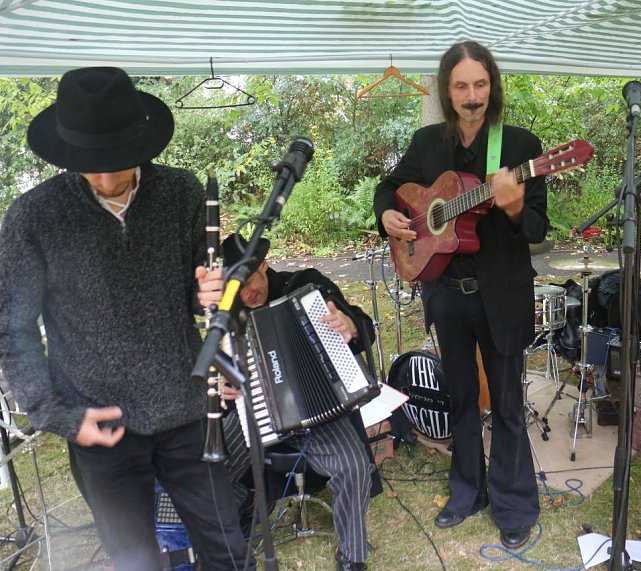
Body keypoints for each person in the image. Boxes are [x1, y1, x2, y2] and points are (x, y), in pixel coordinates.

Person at [0, 67, 251, 569]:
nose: (106, 178)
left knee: (228, 549)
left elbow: (194, 294)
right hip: (97, 421)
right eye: (90, 165)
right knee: (135, 561)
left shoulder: (182, 193)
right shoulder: (33, 216)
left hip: (185, 408)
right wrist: (58, 415)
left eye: (116, 162)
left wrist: (210, 291)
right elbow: (12, 329)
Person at [372, 40, 546, 550]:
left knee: (507, 403)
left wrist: (513, 206)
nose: (472, 96)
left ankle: (514, 504)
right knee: (461, 398)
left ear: (493, 86)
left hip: (502, 296)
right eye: (462, 86)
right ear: (446, 92)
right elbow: (390, 187)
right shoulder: (427, 143)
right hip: (445, 293)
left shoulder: (520, 145)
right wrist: (387, 213)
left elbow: (537, 228)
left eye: (481, 84)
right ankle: (467, 491)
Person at [196, 233, 380, 571]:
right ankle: (245, 511)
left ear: (264, 266)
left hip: (316, 413)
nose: (247, 295)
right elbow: (211, 365)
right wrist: (219, 382)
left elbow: (364, 327)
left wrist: (350, 326)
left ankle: (352, 556)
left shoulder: (306, 286)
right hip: (252, 410)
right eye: (236, 289)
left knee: (353, 467)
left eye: (249, 282)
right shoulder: (226, 312)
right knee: (209, 466)